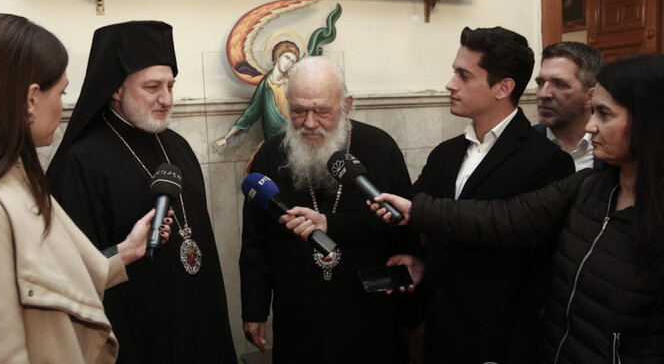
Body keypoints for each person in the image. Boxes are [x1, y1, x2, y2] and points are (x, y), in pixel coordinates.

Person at [372, 53, 664, 363]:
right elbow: (510, 217)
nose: (591, 126)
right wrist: (417, 210)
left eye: (605, 114)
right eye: (594, 112)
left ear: (649, 120)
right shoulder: (590, 186)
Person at [0, 13, 171, 363]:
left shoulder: (18, 178)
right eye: (61, 92)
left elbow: (47, 282)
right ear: (31, 99)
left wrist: (125, 252)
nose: (64, 105)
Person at [381, 27, 575, 363]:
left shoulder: (546, 161)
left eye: (463, 75)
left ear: (504, 87)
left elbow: (538, 275)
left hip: (498, 341)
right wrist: (423, 262)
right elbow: (423, 226)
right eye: (453, 71)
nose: (450, 84)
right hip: (441, 334)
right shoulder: (446, 154)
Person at [46, 21, 237, 363]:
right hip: (136, 336)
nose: (166, 99)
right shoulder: (81, 162)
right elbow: (76, 272)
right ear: (116, 89)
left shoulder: (177, 146)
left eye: (170, 85)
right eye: (152, 87)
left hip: (197, 325)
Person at [239, 56, 419, 363]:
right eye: (298, 111)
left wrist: (410, 317)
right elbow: (256, 241)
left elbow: (404, 234)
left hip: (367, 314)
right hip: (298, 315)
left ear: (346, 104)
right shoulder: (271, 154)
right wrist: (254, 309)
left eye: (322, 111)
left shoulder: (379, 147)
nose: (309, 123)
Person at [212, 40, 300, 152]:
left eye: (292, 61)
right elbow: (251, 113)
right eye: (287, 57)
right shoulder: (265, 86)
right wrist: (226, 137)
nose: (289, 63)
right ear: (278, 57)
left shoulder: (292, 85)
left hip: (293, 143)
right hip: (272, 145)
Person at [535, 41, 605, 170]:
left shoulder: (614, 147)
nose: (543, 94)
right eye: (540, 83)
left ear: (591, 96)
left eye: (560, 84)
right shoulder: (520, 145)